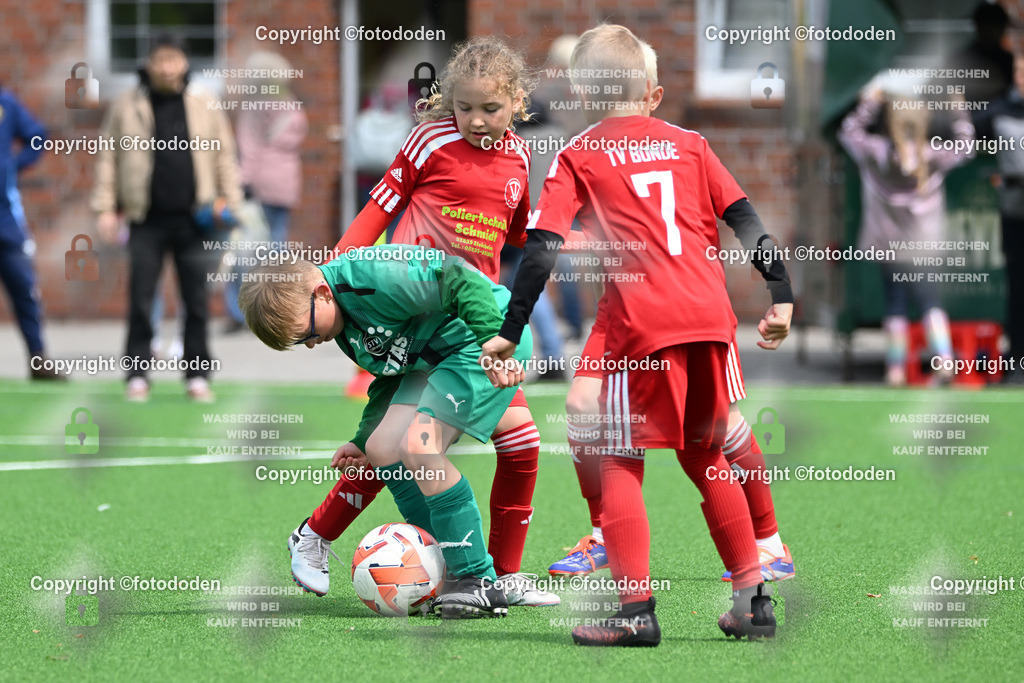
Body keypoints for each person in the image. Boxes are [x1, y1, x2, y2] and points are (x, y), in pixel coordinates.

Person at [480, 24, 793, 646]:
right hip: (710, 322)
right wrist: (781, 293)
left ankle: (634, 613)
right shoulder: (691, 144)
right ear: (649, 90)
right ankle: (753, 603)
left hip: (642, 327)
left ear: (582, 93)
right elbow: (745, 218)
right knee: (706, 454)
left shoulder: (579, 153)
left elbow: (542, 249)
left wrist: (512, 330)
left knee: (617, 456)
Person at [284, 37, 556, 607]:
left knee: (502, 444)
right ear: (449, 102)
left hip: (470, 325)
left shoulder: (518, 157)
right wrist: (338, 274)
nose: (476, 120)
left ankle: (491, 574)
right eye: (464, 107)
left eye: (490, 108)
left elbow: (512, 236)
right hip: (414, 320)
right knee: (398, 445)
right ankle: (466, 571)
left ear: (517, 102)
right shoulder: (430, 140)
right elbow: (380, 206)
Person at [547, 41, 795, 588]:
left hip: (675, 307)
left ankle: (769, 542)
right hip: (621, 309)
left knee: (716, 430)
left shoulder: (675, 146)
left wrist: (780, 289)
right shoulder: (587, 151)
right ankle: (605, 534)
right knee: (581, 405)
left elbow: (735, 215)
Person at [239, 245, 534, 618]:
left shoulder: (372, 278)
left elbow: (457, 277)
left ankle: (478, 581)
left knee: (421, 446)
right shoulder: (340, 321)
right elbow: (391, 375)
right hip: (435, 357)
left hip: (480, 340)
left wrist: (496, 344)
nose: (311, 343)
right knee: (382, 447)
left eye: (307, 333)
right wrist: (362, 439)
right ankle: (444, 565)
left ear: (322, 293)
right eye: (301, 343)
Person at [92, 33, 242, 402]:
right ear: (149, 63)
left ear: (185, 62)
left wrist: (231, 203)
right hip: (145, 218)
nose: (166, 67)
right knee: (141, 300)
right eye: (160, 59)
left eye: (173, 59)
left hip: (196, 219)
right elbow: (108, 157)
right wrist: (105, 208)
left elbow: (224, 155)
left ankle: (197, 375)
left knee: (197, 301)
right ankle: (137, 375)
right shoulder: (127, 104)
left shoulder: (204, 102)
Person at [838, 83, 973, 386]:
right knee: (929, 300)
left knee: (895, 302)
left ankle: (896, 370)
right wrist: (957, 108)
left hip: (888, 244)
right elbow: (966, 147)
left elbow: (848, 133)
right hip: (924, 246)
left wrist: (870, 102)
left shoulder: (877, 152)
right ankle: (944, 361)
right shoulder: (932, 155)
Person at [224, 51, 308, 334]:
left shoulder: (254, 106)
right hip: (286, 184)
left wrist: (242, 182)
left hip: (259, 184)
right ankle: (282, 306)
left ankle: (240, 312)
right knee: (278, 246)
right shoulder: (291, 105)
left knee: (245, 248)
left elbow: (248, 148)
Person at [0, 82, 61, 380]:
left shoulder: (5, 103)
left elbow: (37, 136)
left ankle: (38, 358)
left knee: (25, 289)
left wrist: (12, 165)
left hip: (6, 220)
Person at [974, 55, 1024, 384]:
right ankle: (1018, 359)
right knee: (1018, 289)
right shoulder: (1000, 110)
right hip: (1015, 213)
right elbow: (967, 133)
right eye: (1019, 71)